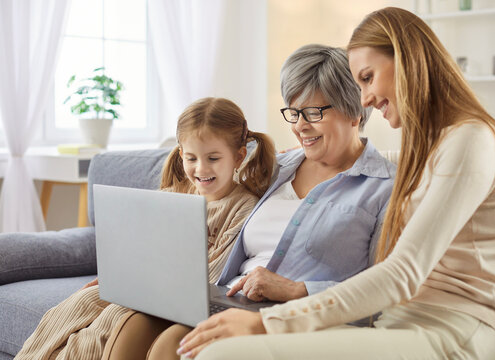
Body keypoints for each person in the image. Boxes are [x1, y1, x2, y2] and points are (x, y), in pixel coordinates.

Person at [172, 7, 495, 360]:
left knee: (223, 353)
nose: (364, 99)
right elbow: (391, 169)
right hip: (397, 321)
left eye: (367, 78)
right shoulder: (430, 147)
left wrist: (267, 323)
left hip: (460, 328)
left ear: (407, 60)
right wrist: (318, 154)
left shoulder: (471, 140)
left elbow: (402, 274)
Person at [102, 44, 395, 360]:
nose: (300, 126)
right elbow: (206, 183)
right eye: (293, 113)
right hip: (228, 296)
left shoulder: (385, 186)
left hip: (295, 313)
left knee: (170, 347)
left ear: (354, 110)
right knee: (131, 326)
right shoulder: (275, 167)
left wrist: (294, 289)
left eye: (313, 113)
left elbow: (388, 286)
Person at [14, 97, 276, 360]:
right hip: (143, 286)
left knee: (114, 319)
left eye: (213, 158)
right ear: (181, 154)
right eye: (191, 158)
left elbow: (215, 272)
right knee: (76, 304)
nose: (201, 168)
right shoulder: (173, 195)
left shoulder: (242, 206)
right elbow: (140, 249)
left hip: (173, 297)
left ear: (239, 156)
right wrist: (114, 278)